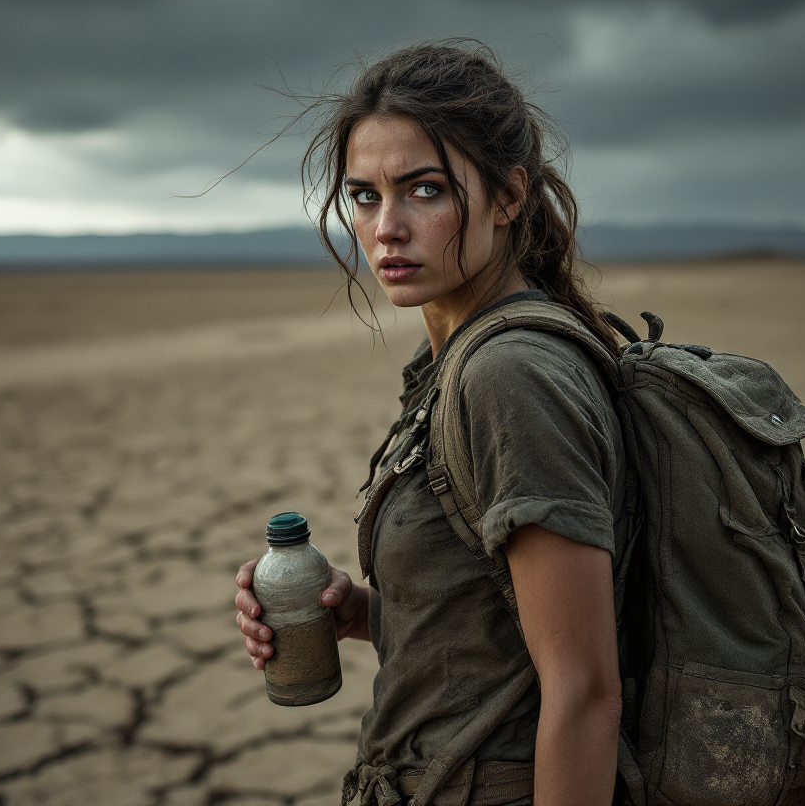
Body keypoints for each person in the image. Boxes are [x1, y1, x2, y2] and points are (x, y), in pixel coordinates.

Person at [235, 42, 627, 806]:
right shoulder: (455, 361)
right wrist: (367, 615)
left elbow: (584, 692)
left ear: (510, 195)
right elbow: (504, 632)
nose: (386, 228)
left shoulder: (508, 374)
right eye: (364, 196)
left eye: (422, 190)